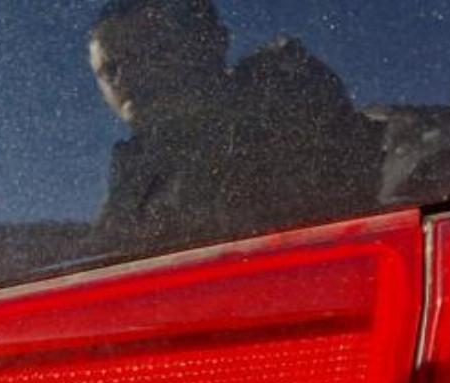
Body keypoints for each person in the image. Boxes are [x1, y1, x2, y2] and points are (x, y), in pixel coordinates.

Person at [89, 0, 382, 252]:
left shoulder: (287, 109)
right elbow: (110, 248)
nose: (126, 77)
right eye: (110, 68)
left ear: (210, 42)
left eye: (151, 51)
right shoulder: (137, 169)